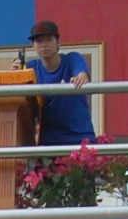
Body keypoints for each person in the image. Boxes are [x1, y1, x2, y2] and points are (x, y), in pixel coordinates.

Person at [25, 20, 96, 148]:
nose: (44, 45)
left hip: (79, 137)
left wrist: (80, 77)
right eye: (39, 41)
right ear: (33, 46)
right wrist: (14, 71)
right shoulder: (30, 68)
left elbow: (82, 74)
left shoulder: (73, 59)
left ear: (58, 42)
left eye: (49, 39)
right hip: (48, 141)